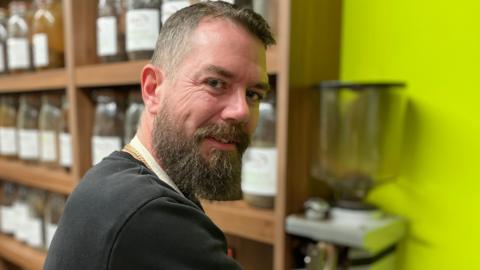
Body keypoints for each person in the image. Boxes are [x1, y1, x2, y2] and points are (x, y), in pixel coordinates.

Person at [44, 1, 275, 269]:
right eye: (215, 83)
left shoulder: (112, 180)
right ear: (153, 89)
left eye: (253, 94)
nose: (241, 112)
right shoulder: (149, 215)